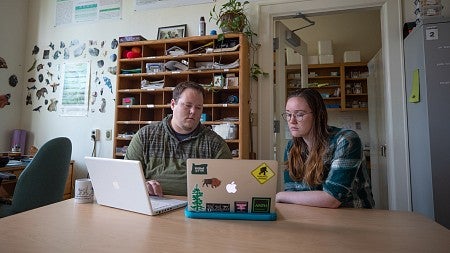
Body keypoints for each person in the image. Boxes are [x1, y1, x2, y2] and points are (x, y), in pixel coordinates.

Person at [125, 81, 232, 196]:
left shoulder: (215, 144)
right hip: (153, 203)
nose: (193, 112)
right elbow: (126, 176)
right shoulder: (145, 136)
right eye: (188, 105)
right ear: (172, 104)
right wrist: (143, 185)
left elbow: (228, 183)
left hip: (196, 206)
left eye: (198, 107)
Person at [276, 88, 374, 208]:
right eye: (288, 114)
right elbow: (291, 192)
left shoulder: (346, 140)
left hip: (353, 217)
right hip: (312, 215)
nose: (292, 121)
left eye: (299, 114)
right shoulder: (291, 147)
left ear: (318, 115)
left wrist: (279, 196)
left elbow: (332, 198)